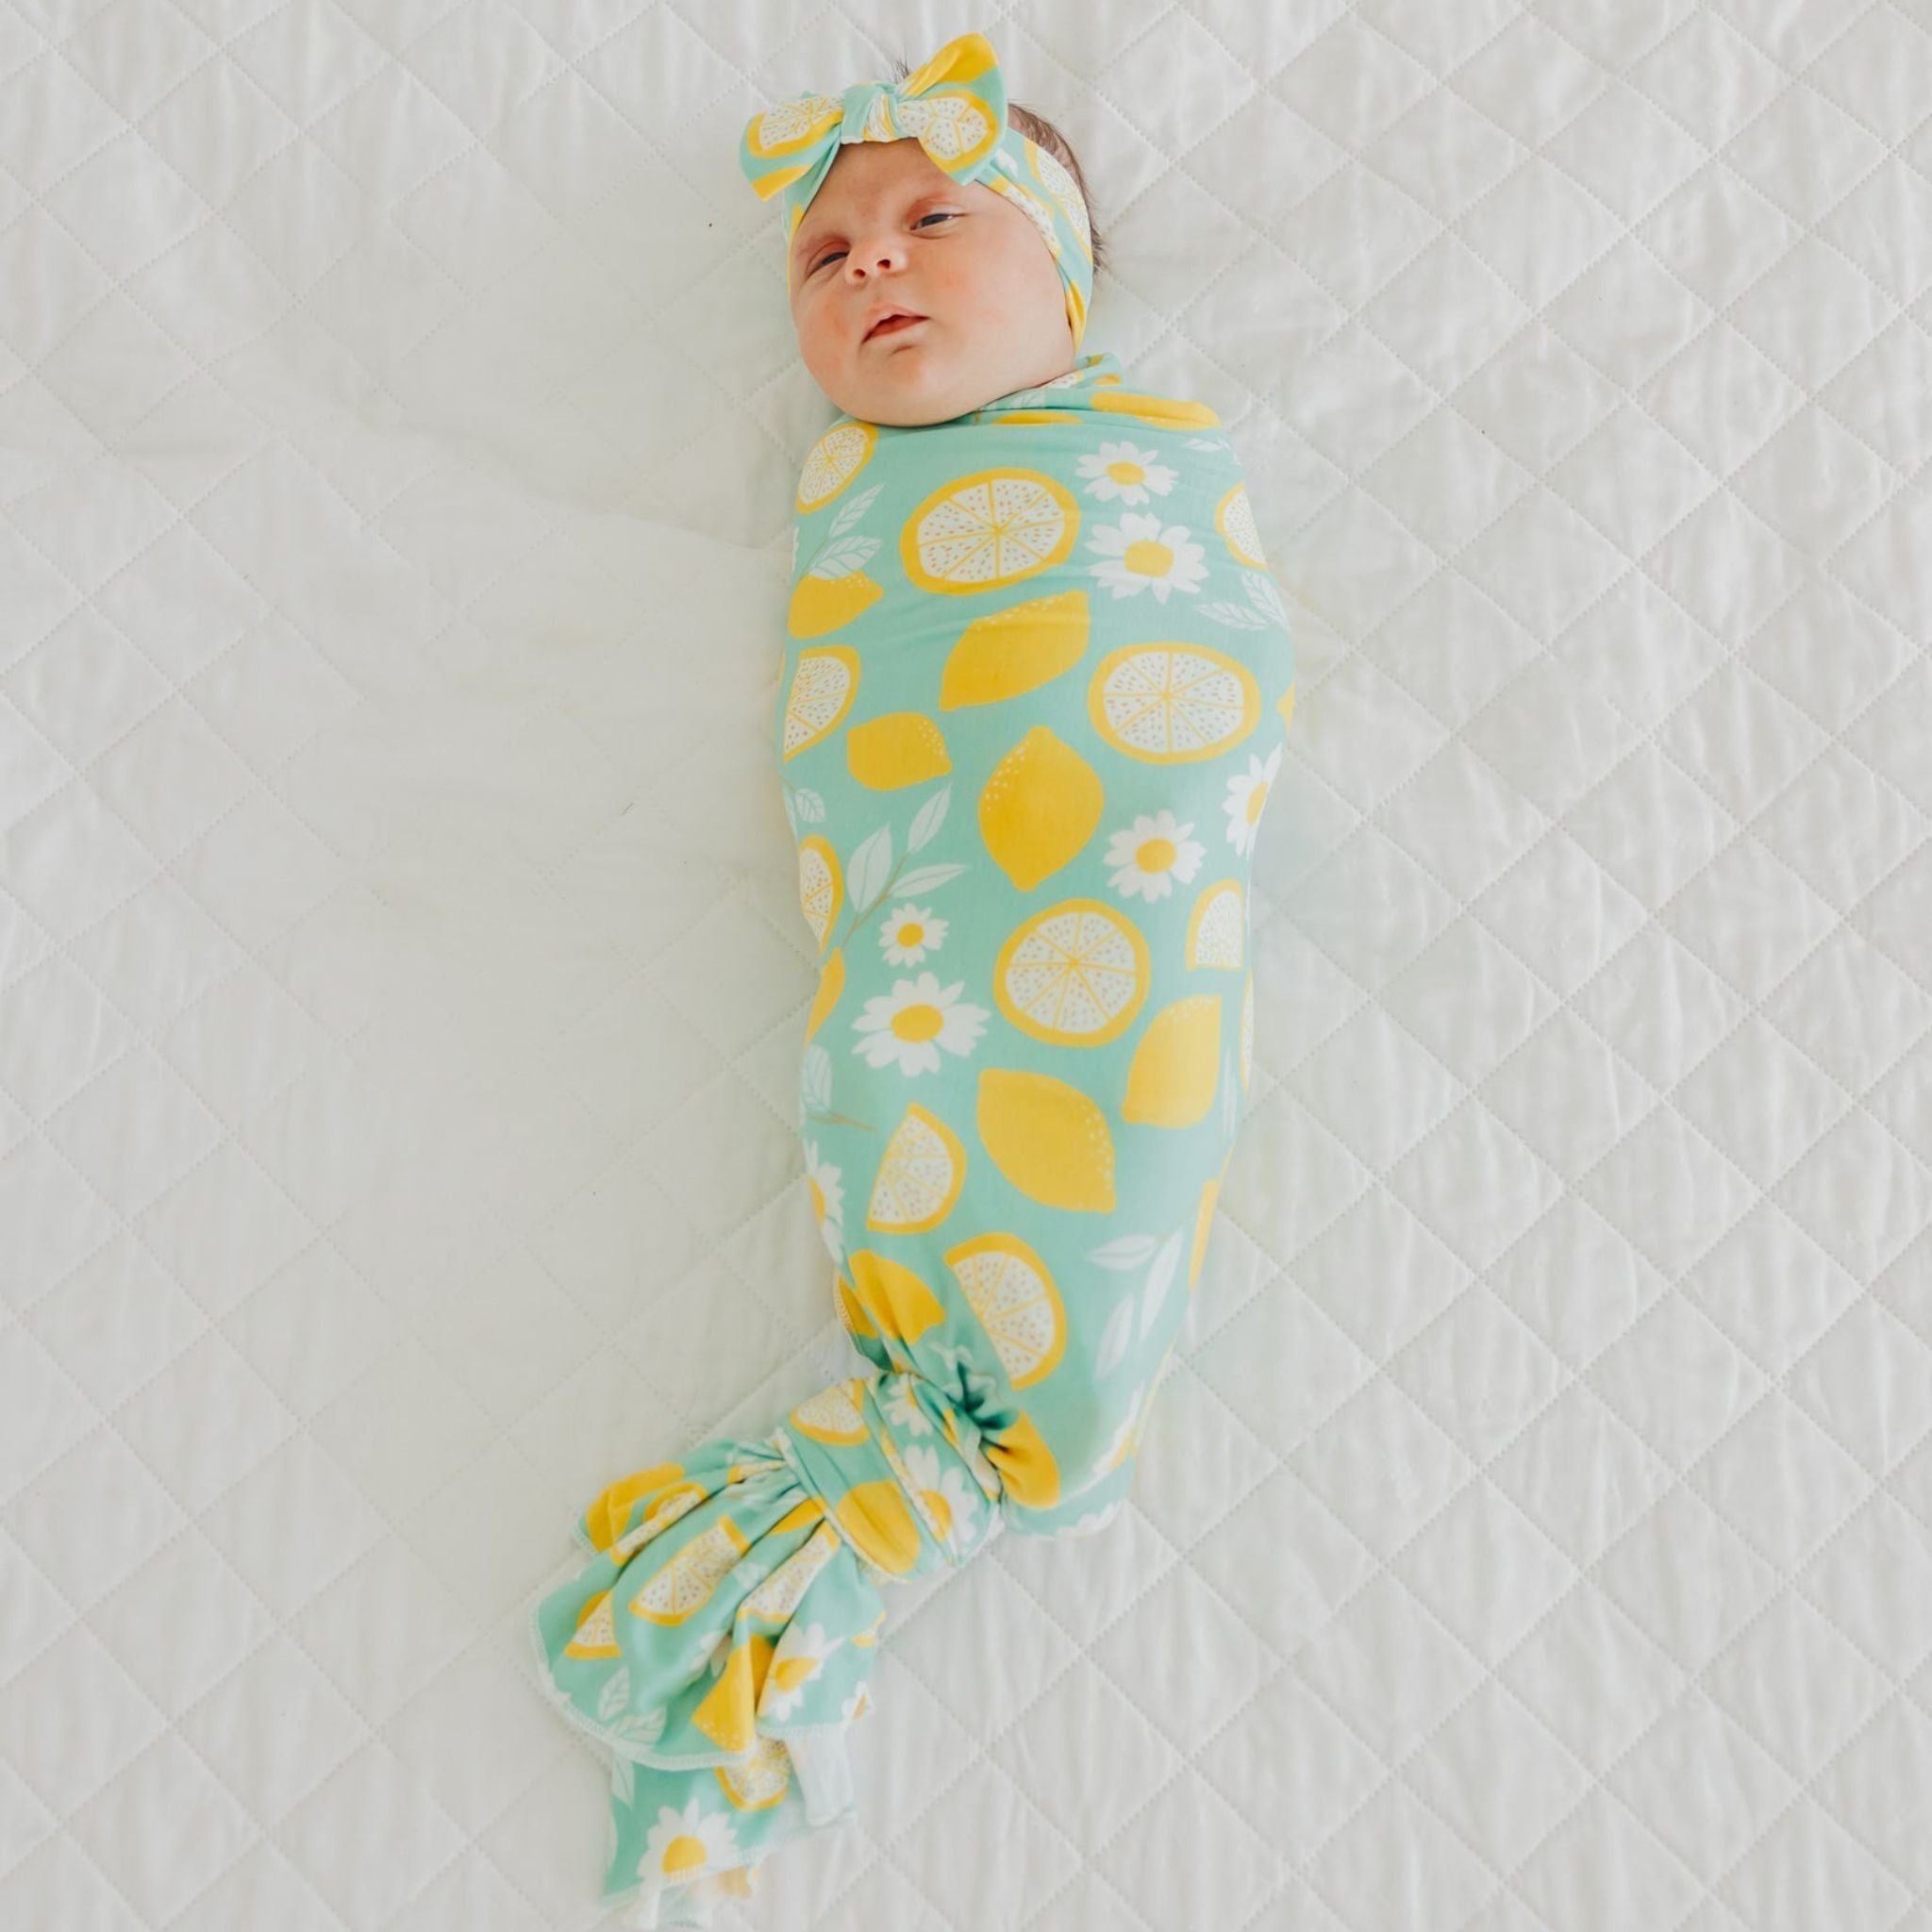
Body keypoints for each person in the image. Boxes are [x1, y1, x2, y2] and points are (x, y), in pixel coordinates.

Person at [526, 29, 1297, 1926]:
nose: (869, 256)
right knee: (905, 1041)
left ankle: (971, 1407)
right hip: (931, 907)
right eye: (824, 253)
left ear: (1070, 290)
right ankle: (909, 1438)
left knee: (1085, 1067)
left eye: (936, 220)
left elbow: (1202, 683)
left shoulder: (1142, 458)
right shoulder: (854, 491)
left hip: (1109, 840)